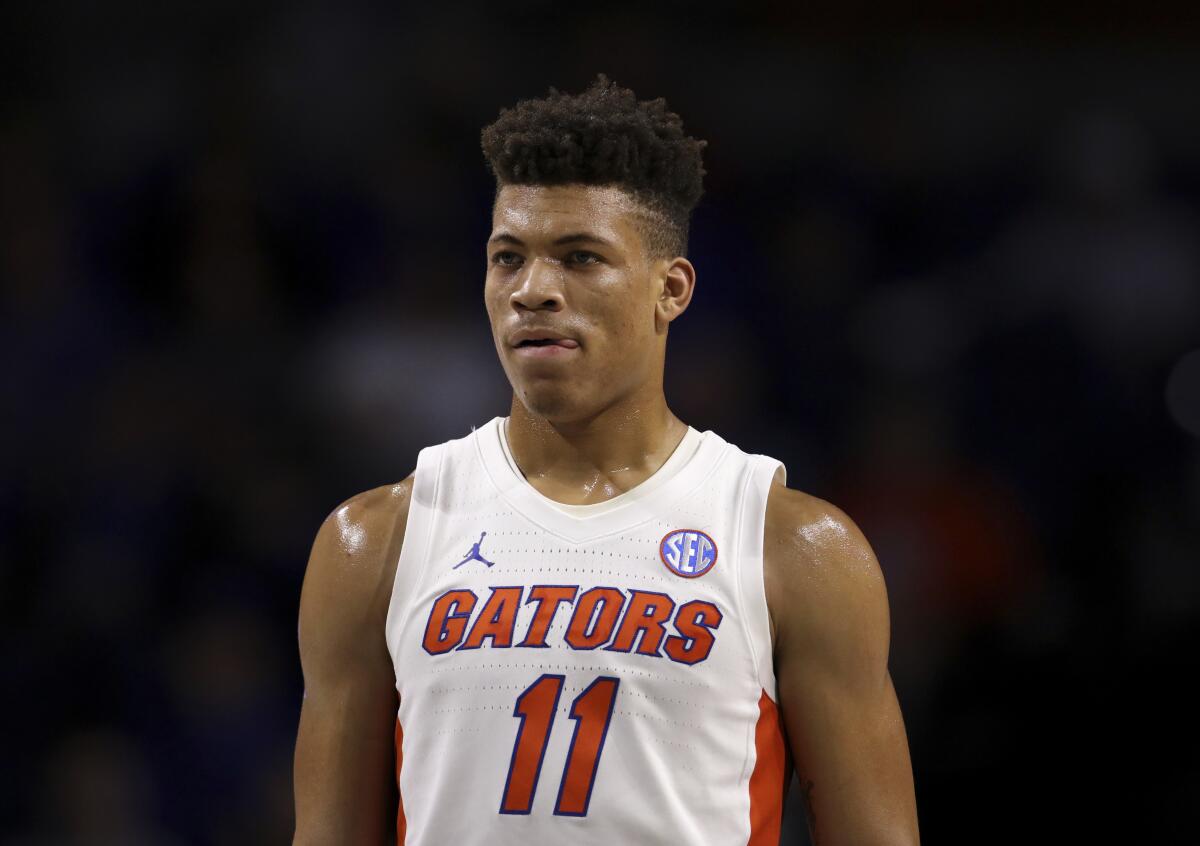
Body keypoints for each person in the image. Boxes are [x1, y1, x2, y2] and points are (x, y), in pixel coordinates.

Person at [292, 75, 920, 846]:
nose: (533, 291)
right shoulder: (374, 540)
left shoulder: (793, 548)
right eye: (507, 259)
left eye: (581, 258)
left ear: (672, 289)